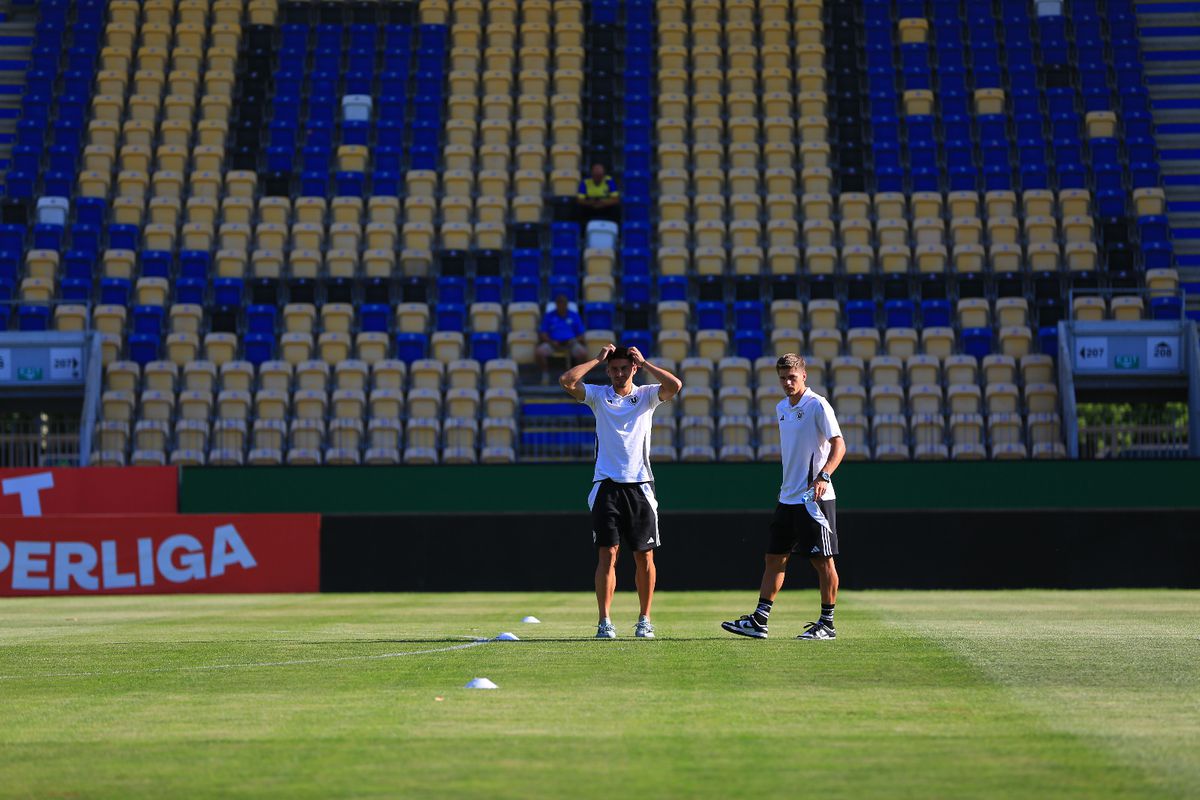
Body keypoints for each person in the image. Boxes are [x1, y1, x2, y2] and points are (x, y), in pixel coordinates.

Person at [559, 344, 683, 639]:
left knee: (644, 556)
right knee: (607, 554)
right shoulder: (599, 396)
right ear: (608, 370)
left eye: (624, 368)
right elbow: (567, 381)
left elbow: (675, 386)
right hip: (606, 486)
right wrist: (597, 359)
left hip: (640, 485)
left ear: (634, 369)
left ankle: (644, 619)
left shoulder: (647, 395)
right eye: (613, 369)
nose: (619, 374)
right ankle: (604, 621)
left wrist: (646, 363)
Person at [722, 353, 846, 641]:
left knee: (823, 561)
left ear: (804, 376)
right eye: (782, 378)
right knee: (774, 558)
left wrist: (824, 476)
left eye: (792, 377)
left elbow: (839, 445)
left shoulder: (817, 404)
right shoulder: (781, 407)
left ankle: (827, 624)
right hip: (787, 497)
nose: (788, 383)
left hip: (814, 500)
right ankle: (759, 620)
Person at [536, 294, 588, 384]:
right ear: (556, 305)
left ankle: (579, 376)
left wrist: (574, 341)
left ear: (566, 304)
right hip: (553, 343)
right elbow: (543, 333)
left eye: (563, 303)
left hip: (571, 344)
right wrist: (550, 341)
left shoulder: (574, 316)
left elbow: (581, 334)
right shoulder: (549, 316)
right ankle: (545, 374)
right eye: (559, 303)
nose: (561, 305)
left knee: (583, 353)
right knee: (539, 352)